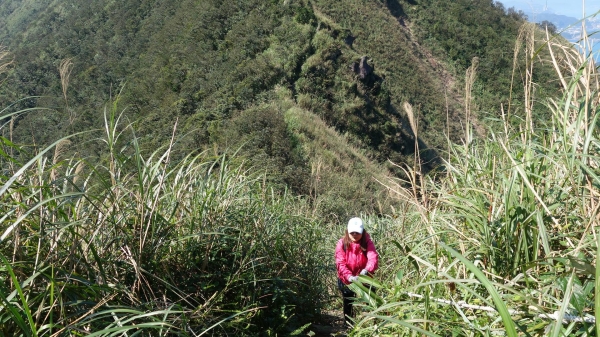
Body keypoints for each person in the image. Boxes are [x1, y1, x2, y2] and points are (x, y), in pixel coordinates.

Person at [335, 217, 379, 325]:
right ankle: (348, 324)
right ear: (348, 231)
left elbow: (373, 258)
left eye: (357, 232)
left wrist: (366, 271)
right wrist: (349, 276)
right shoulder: (342, 244)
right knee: (348, 301)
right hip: (347, 279)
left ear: (362, 232)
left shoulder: (367, 243)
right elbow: (340, 263)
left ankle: (371, 323)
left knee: (370, 301)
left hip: (364, 277)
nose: (354, 235)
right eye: (352, 232)